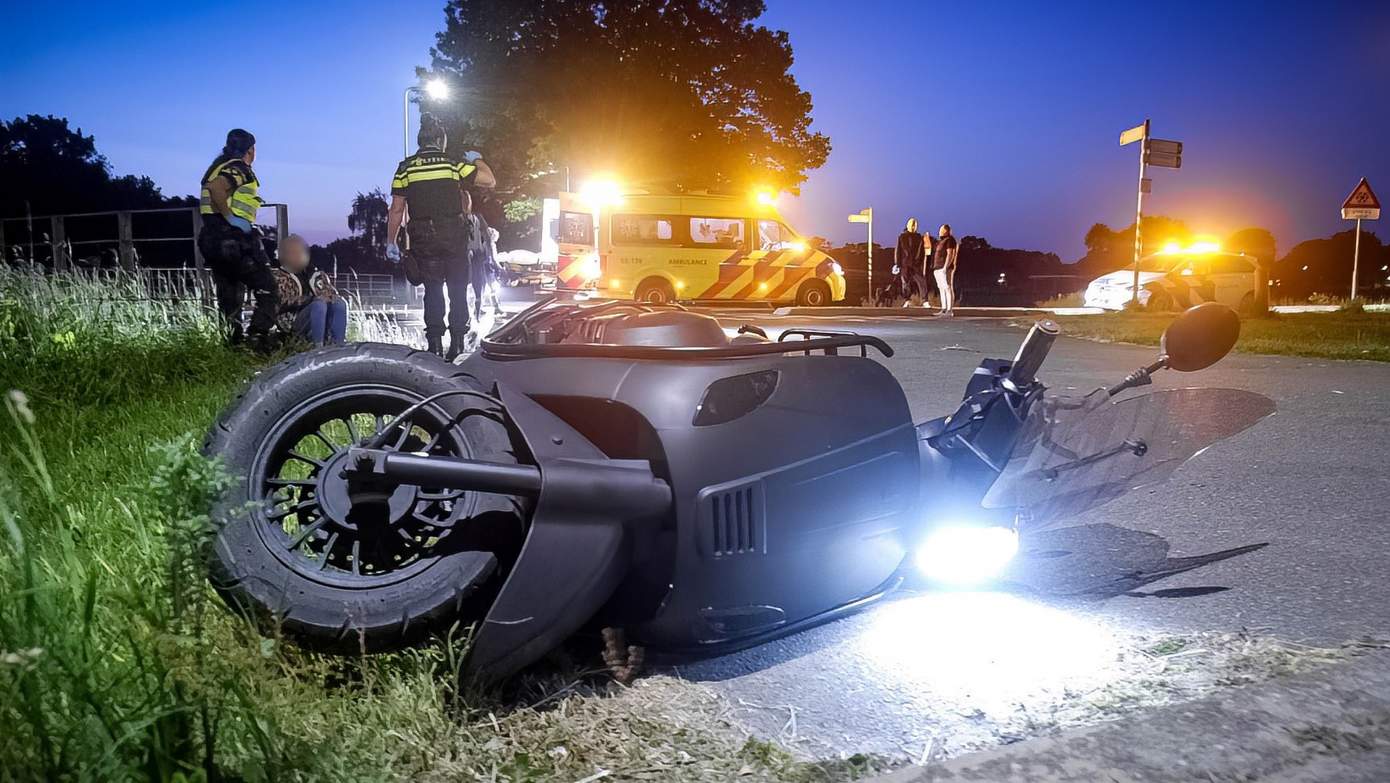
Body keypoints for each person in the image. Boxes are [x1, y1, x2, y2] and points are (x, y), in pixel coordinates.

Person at [384, 112, 496, 357]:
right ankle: (457, 344)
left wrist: (391, 241)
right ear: (440, 139)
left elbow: (396, 210)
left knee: (433, 290)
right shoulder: (452, 163)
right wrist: (478, 160)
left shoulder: (406, 168)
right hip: (454, 236)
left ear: (420, 141)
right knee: (457, 288)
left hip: (424, 238)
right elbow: (489, 181)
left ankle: (434, 345)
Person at [197, 128, 278, 349]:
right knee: (269, 289)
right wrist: (232, 218)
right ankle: (256, 338)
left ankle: (231, 346)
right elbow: (217, 189)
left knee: (230, 297)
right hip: (233, 240)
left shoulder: (215, 168)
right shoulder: (239, 168)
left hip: (212, 239)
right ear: (250, 150)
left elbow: (211, 189)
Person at [277, 234, 347, 347]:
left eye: (300, 252)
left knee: (340, 303)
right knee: (318, 304)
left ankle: (338, 345)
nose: (297, 256)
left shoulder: (316, 274)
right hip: (293, 323)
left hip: (319, 315)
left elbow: (330, 292)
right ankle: (317, 347)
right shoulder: (279, 276)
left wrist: (331, 297)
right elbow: (279, 302)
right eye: (293, 252)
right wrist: (310, 300)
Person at [894, 218, 928, 302]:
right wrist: (897, 264)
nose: (913, 227)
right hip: (905, 264)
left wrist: (920, 262)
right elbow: (898, 251)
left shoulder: (919, 237)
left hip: (916, 264)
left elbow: (922, 251)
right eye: (912, 225)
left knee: (922, 282)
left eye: (915, 225)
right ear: (908, 225)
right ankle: (907, 300)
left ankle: (925, 300)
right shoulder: (902, 236)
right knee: (905, 283)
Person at [933, 224, 959, 316]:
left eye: (941, 229)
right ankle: (943, 309)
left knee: (948, 287)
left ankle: (949, 310)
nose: (939, 231)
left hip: (945, 268)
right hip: (937, 268)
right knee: (941, 288)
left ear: (946, 230)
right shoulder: (940, 241)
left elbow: (950, 254)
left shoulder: (950, 240)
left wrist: (945, 267)